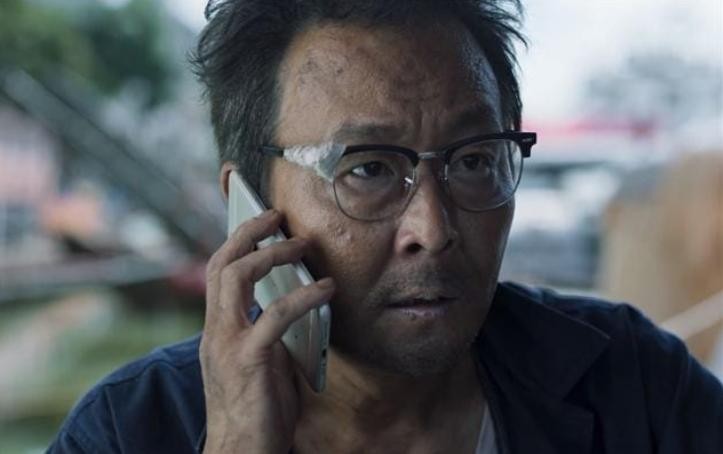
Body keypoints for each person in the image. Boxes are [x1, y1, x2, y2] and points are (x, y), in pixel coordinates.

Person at [48, 1, 722, 453]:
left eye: (474, 160)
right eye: (367, 169)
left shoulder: (633, 384)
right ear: (248, 204)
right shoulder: (129, 430)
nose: (433, 227)